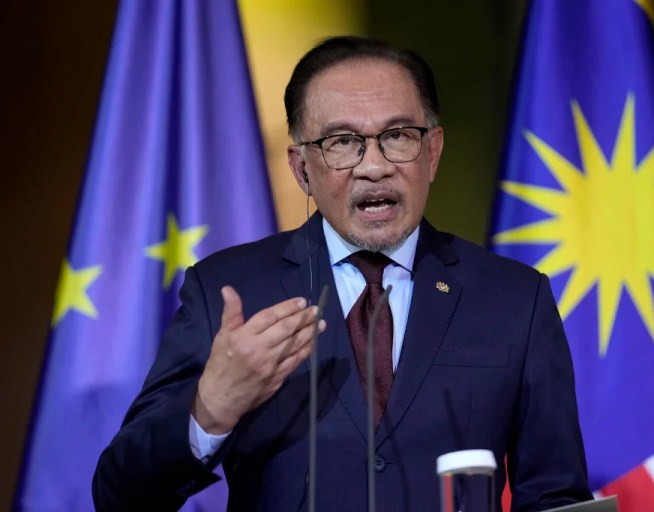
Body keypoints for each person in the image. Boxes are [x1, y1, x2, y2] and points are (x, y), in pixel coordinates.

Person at [93, 36, 591, 511]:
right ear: (301, 167)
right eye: (343, 142)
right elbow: (120, 496)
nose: (374, 166)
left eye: (398, 136)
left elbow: (555, 497)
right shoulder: (230, 290)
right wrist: (210, 411)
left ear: (433, 151)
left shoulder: (515, 299)